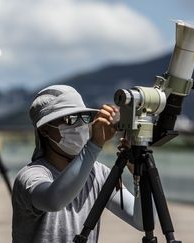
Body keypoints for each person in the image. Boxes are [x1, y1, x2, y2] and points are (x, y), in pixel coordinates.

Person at [12, 85, 144, 242]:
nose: (80, 126)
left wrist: (139, 173)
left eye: (84, 117)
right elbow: (54, 200)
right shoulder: (31, 176)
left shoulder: (98, 174)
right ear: (45, 130)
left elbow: (142, 221)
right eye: (70, 119)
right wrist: (94, 145)